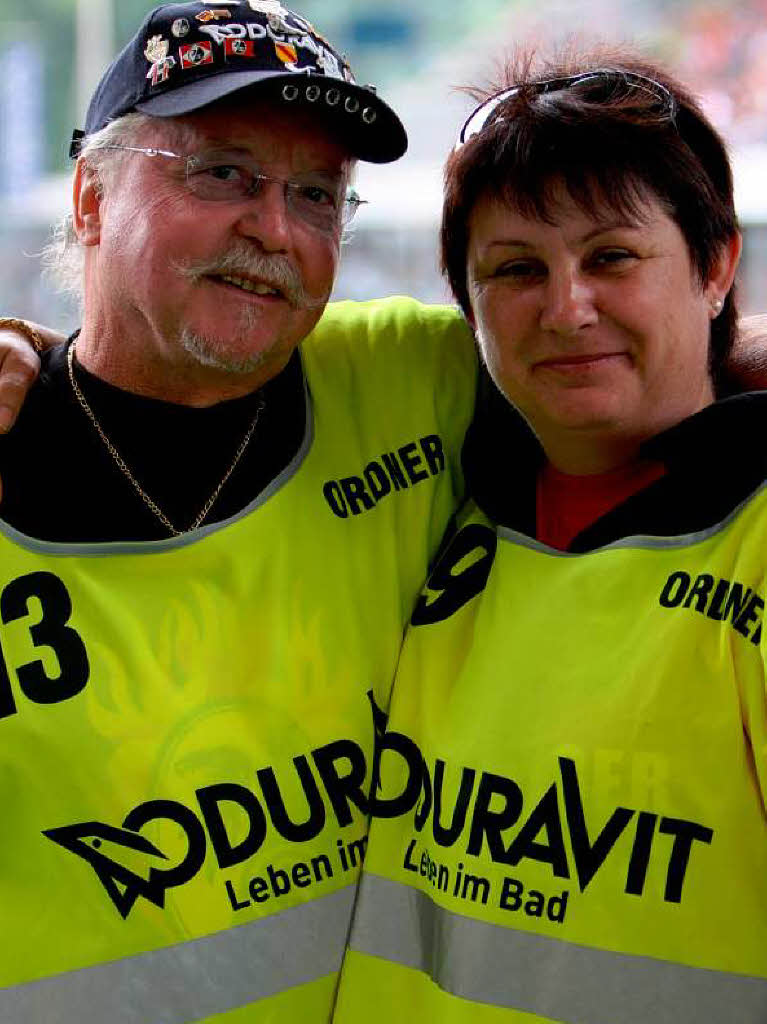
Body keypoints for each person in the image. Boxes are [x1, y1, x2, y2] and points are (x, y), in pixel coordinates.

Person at [0, 3, 477, 1022]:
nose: (274, 228)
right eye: (223, 173)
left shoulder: (404, 380)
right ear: (91, 195)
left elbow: (631, 352)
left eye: (317, 194)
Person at [334, 48, 767, 1022]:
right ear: (468, 308)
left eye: (611, 257)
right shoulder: (427, 499)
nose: (565, 309)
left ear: (712, 265)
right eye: (515, 269)